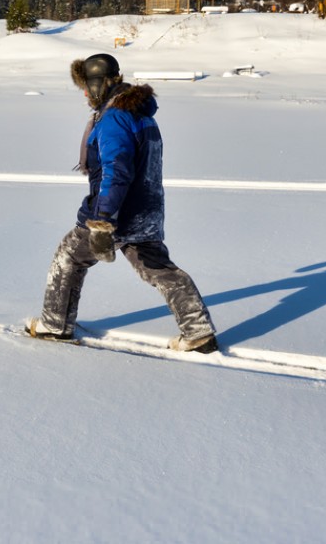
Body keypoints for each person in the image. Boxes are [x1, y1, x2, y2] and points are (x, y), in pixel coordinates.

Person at [29, 54, 218, 353]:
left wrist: (103, 218)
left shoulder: (114, 117)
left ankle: (55, 325)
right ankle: (198, 331)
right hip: (147, 209)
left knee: (69, 257)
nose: (85, 94)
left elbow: (116, 170)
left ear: (98, 84)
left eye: (86, 87)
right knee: (158, 268)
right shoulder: (140, 114)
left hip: (119, 211)